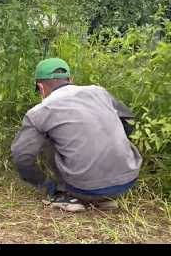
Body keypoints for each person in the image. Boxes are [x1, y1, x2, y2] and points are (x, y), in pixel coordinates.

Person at [11, 58, 142, 212]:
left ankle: (60, 194)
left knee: (49, 137)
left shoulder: (40, 111)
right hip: (127, 182)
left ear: (41, 87)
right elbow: (129, 120)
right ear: (71, 80)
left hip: (84, 189)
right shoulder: (99, 92)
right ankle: (106, 198)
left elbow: (21, 157)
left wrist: (45, 184)